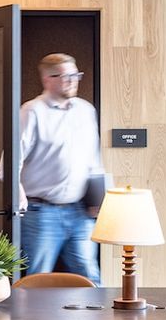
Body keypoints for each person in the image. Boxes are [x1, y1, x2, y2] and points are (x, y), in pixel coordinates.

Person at [14, 52, 103, 282]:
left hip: (80, 212)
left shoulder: (86, 111)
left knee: (89, 275)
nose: (72, 80)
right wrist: (18, 195)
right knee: (37, 278)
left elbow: (93, 161)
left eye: (76, 75)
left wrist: (98, 201)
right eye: (65, 76)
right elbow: (12, 161)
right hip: (41, 213)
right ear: (47, 80)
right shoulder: (32, 111)